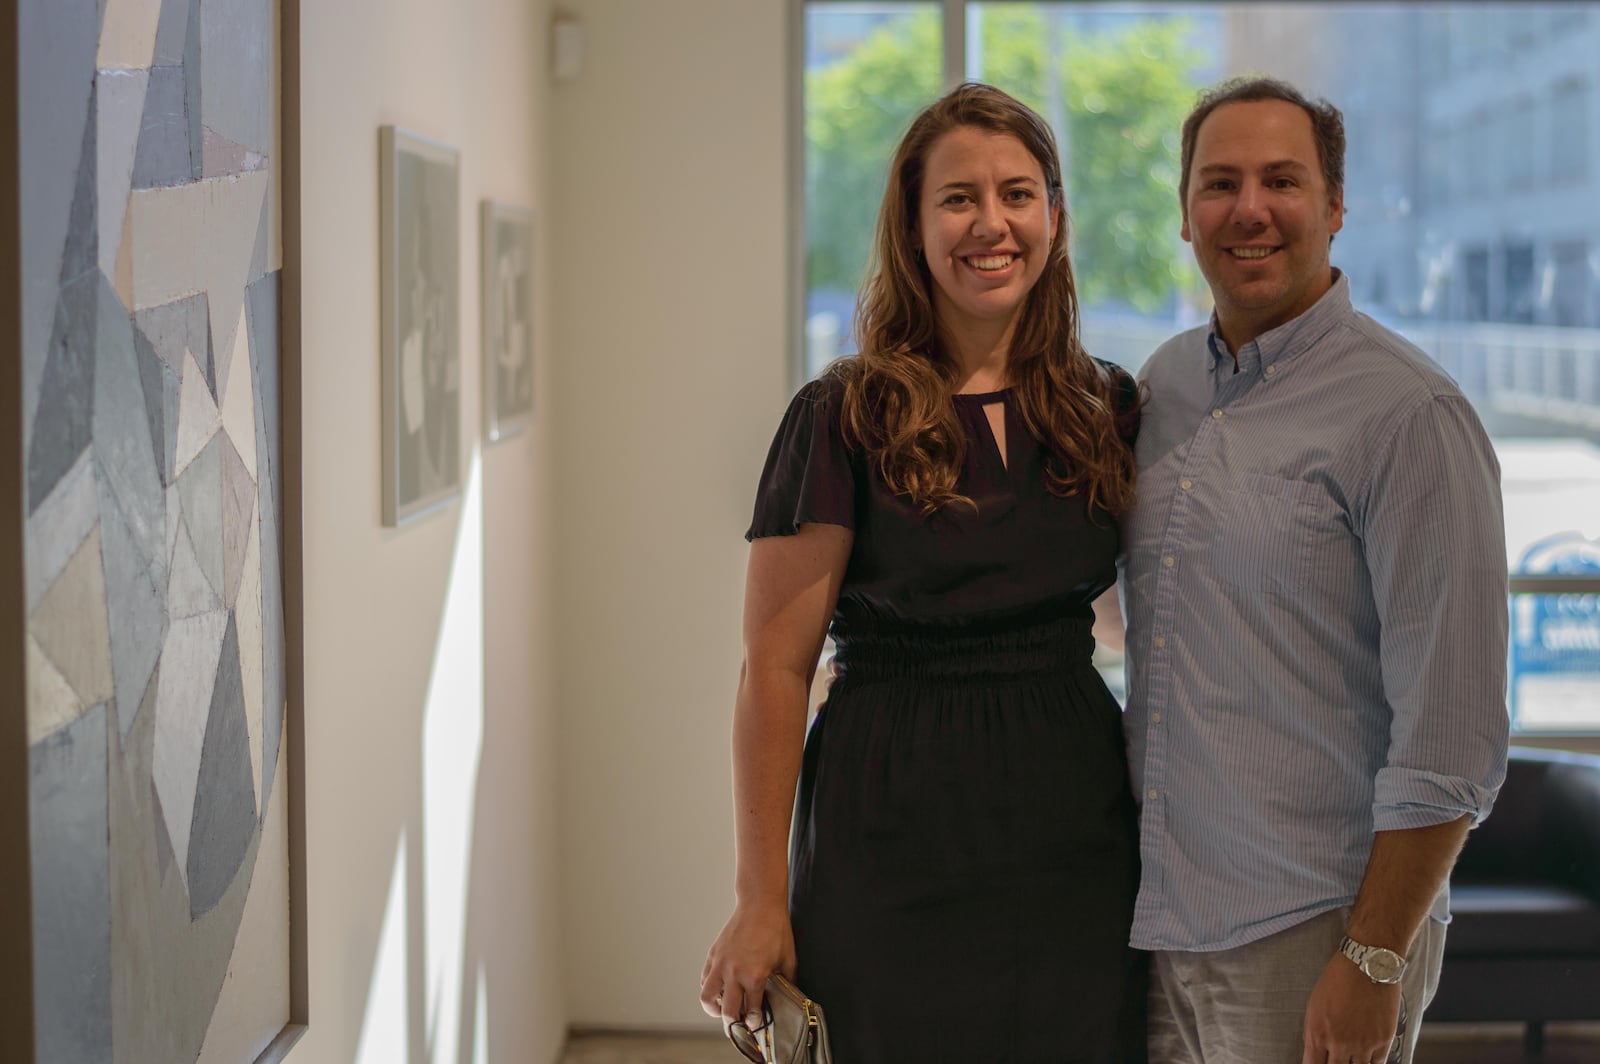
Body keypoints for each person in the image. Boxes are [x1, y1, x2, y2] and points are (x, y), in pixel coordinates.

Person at [698, 82, 1146, 1063]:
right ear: (911, 223)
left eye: (1018, 193)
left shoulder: (1104, 405)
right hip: (887, 817)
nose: (991, 223)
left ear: (1054, 214)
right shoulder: (841, 415)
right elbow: (773, 670)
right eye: (957, 198)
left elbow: (1130, 615)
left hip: (1076, 816)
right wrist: (757, 895)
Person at [1118, 76, 1511, 1064]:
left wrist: (1374, 955)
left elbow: (1452, 734)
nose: (1248, 209)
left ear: (1335, 209)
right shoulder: (1162, 386)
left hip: (1313, 928)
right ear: (1184, 214)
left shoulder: (1408, 415)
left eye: (1281, 181)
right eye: (1219, 183)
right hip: (1163, 921)